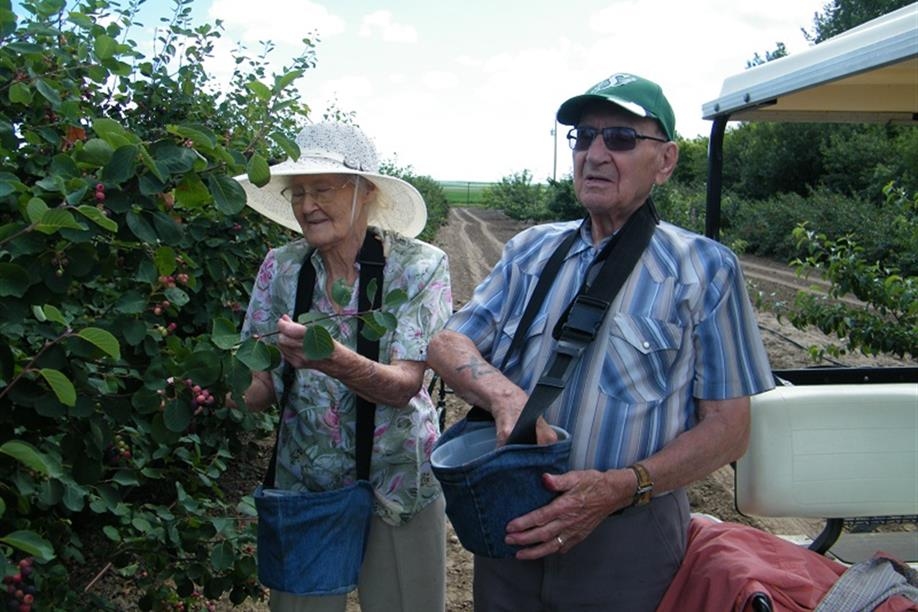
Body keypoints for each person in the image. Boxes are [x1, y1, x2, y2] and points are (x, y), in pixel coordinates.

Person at [427, 73, 775, 611]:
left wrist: (622, 486)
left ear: (666, 161)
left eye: (620, 138)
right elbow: (448, 343)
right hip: (511, 520)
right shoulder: (532, 251)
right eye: (583, 137)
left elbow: (729, 430)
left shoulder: (704, 269)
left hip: (627, 537)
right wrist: (504, 396)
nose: (594, 154)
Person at [232, 122, 452, 612]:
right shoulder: (281, 267)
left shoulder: (418, 267)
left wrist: (333, 360)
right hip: (306, 478)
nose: (307, 205)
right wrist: (212, 387)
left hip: (399, 480)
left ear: (365, 192)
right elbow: (261, 385)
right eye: (298, 191)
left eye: (322, 188)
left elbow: (403, 386)